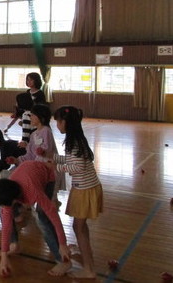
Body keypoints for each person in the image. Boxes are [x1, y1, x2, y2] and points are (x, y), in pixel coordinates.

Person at [0, 161, 71, 278]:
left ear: (14, 199)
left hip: (47, 177)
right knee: (7, 216)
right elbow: (6, 226)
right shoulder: (8, 195)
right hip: (27, 174)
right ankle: (15, 245)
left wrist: (63, 244)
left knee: (43, 218)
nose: (4, 207)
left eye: (4, 204)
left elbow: (54, 216)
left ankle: (64, 261)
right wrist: (4, 258)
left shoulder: (33, 192)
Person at [52, 106, 103, 279]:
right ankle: (89, 262)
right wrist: (54, 157)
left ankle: (89, 270)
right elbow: (73, 159)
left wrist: (56, 167)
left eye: (58, 122)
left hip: (84, 189)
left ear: (65, 122)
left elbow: (77, 166)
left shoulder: (72, 142)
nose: (57, 125)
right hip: (87, 187)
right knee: (80, 227)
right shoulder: (76, 138)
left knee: (78, 228)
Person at [17, 104, 65, 206]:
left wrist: (42, 151)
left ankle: (52, 211)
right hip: (40, 168)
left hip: (49, 168)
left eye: (33, 115)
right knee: (45, 195)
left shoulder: (46, 130)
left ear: (41, 117)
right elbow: (30, 154)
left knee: (51, 195)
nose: (31, 117)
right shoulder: (34, 134)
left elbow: (47, 149)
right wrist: (18, 160)